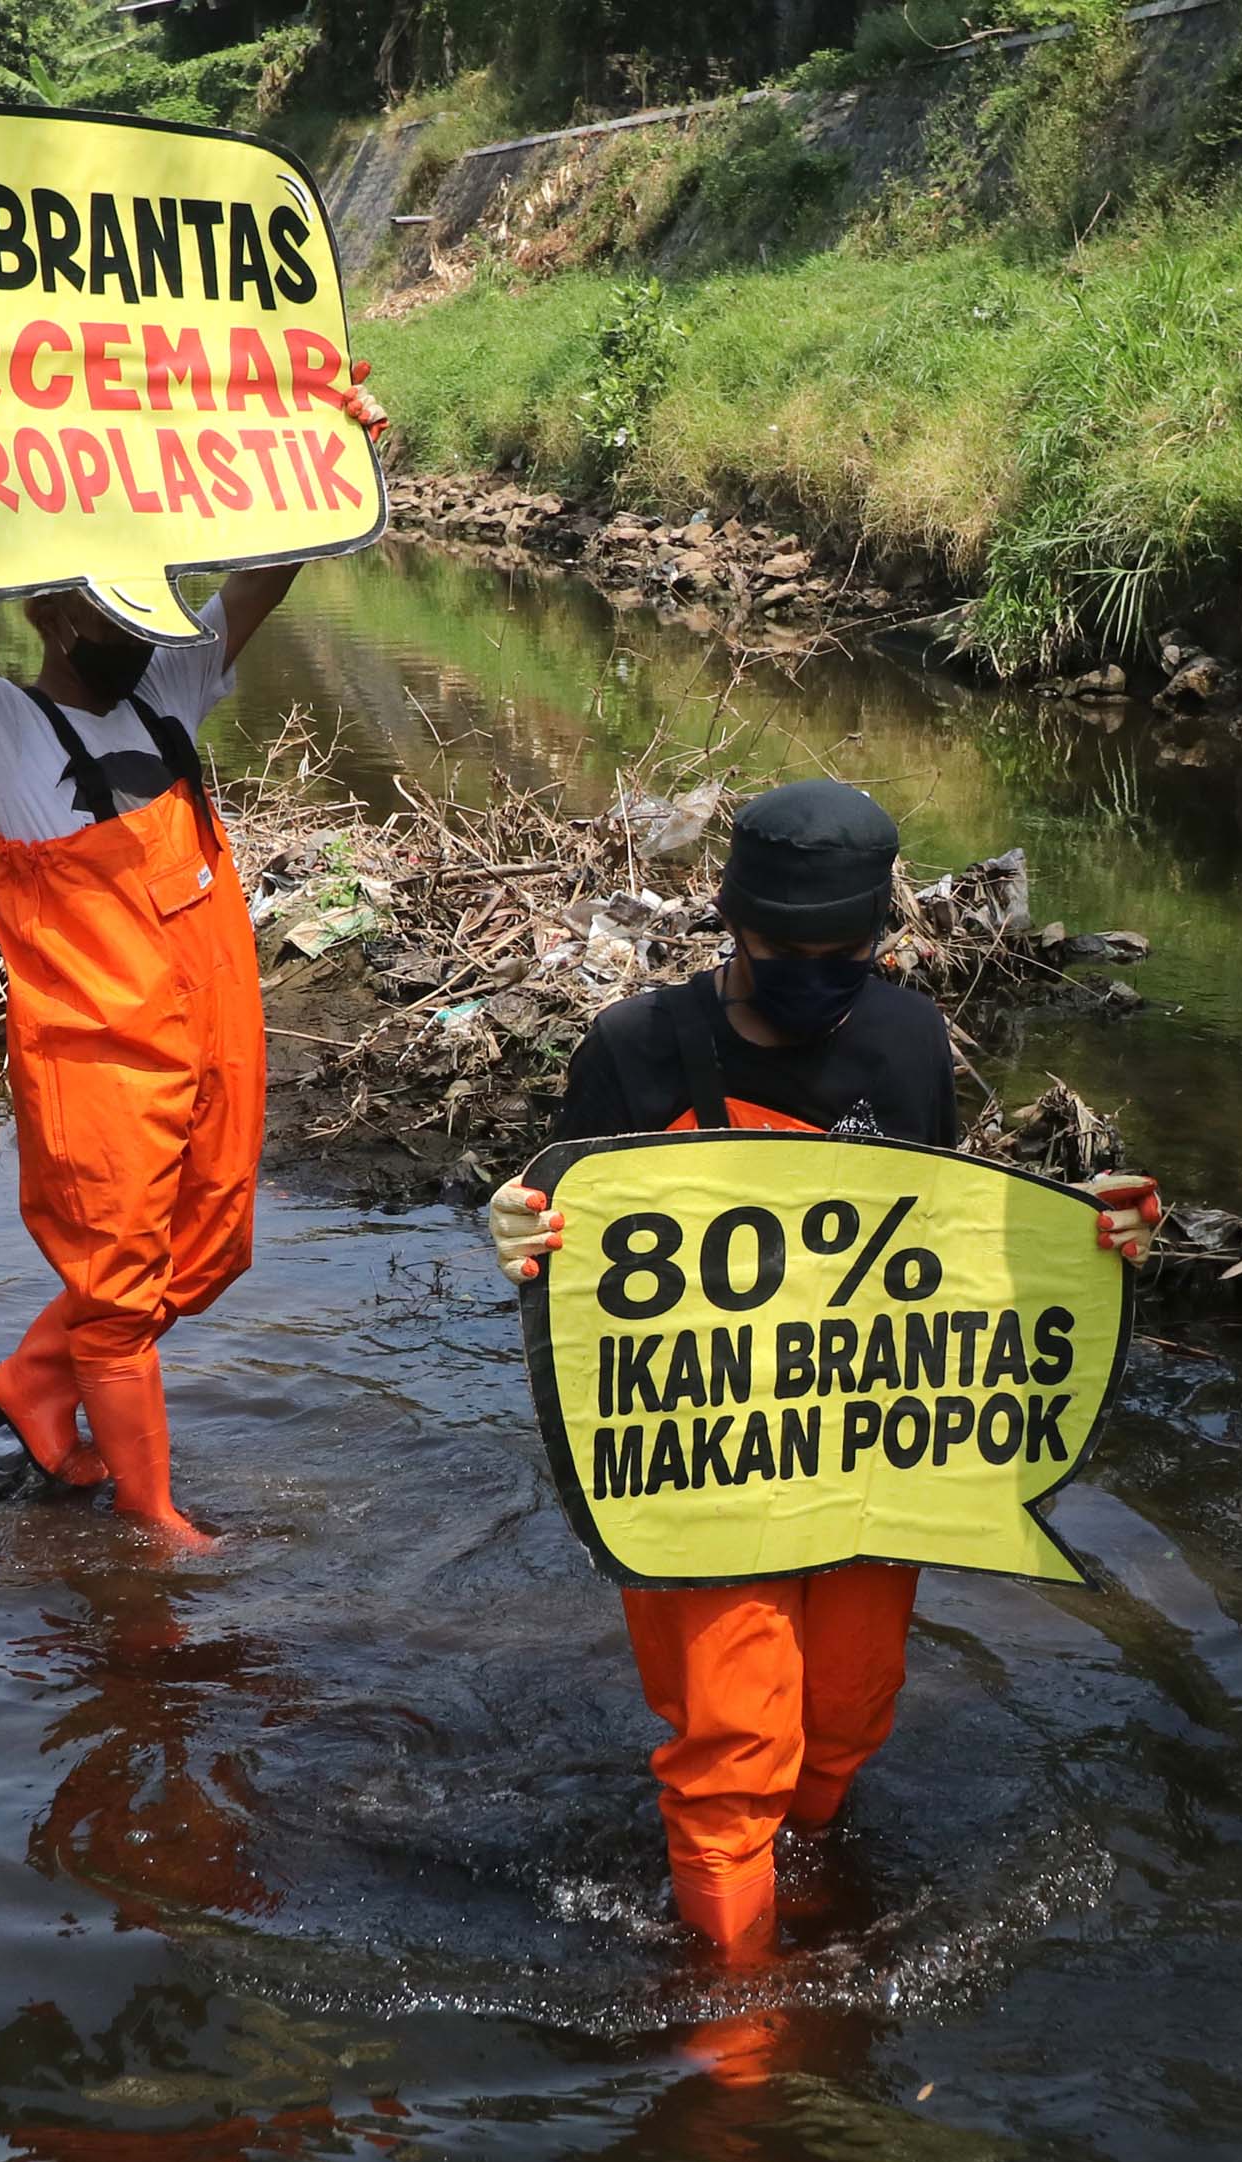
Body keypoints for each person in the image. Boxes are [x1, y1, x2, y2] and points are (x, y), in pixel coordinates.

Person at [485, 779, 1161, 1961]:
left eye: (843, 950)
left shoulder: (903, 1039)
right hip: (701, 1466)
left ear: (879, 940)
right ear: (730, 925)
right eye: (785, 949)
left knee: (844, 1714)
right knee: (735, 1745)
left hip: (865, 1448)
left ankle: (802, 1864)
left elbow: (939, 1254)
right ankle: (738, 2025)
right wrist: (514, 1228)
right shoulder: (635, 1049)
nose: (815, 970)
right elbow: (571, 1254)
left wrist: (1080, 1234)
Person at [0, 380, 380, 1539]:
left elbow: (262, 580)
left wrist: (326, 452)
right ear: (51, 617)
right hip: (96, 1051)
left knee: (212, 1249)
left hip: (208, 1028)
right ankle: (153, 1520)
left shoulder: (171, 691)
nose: (136, 639)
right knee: (114, 1293)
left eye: (141, 620)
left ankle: (33, 1383)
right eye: (109, 622)